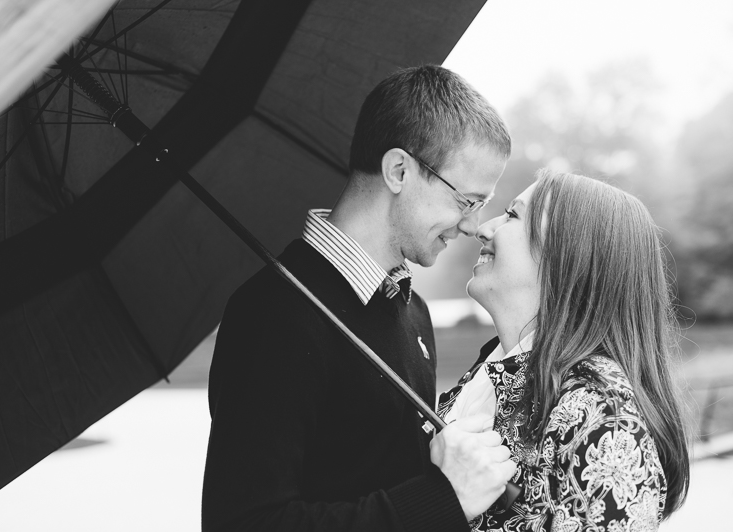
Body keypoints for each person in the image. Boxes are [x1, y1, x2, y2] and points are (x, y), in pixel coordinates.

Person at [202, 65, 516, 531]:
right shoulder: (273, 313)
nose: (472, 226)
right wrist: (442, 500)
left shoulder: (414, 312)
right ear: (398, 170)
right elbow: (244, 522)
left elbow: (376, 478)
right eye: (466, 201)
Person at [437, 169, 691, 531]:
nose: (483, 227)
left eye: (512, 215)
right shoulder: (488, 374)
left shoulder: (605, 420)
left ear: (568, 255)